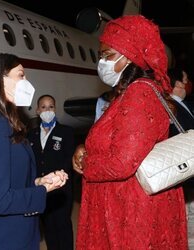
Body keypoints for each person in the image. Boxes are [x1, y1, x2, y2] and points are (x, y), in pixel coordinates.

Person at [72, 15, 188, 249]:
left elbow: (121, 163)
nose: (102, 62)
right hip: (124, 204)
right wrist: (85, 148)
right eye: (101, 55)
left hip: (131, 211)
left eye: (109, 55)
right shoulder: (127, 94)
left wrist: (87, 163)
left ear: (131, 55)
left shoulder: (139, 95)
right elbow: (115, 141)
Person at [0, 53, 68, 250]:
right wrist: (43, 191)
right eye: (21, 75)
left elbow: (11, 180)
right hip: (4, 239)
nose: (27, 82)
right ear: (0, 80)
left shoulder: (7, 123)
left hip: (19, 233)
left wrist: (38, 182)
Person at [28, 94, 74, 250]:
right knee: (48, 226)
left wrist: (58, 177)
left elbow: (69, 158)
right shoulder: (31, 135)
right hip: (42, 189)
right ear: (37, 111)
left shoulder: (66, 132)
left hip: (61, 189)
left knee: (62, 225)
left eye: (51, 107)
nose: (47, 110)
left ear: (55, 109)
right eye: (43, 107)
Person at [168, 67, 194, 136]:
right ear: (178, 84)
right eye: (186, 79)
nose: (188, 82)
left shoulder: (185, 103)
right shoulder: (170, 107)